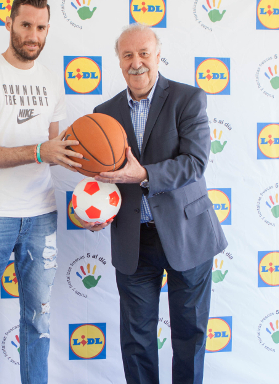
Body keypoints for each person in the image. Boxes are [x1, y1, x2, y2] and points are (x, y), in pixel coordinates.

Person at [83, 23, 228, 384]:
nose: (137, 63)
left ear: (158, 55)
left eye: (144, 53)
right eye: (127, 55)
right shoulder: (104, 112)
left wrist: (144, 174)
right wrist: (99, 210)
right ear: (118, 62)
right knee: (136, 340)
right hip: (135, 240)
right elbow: (106, 177)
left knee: (190, 335)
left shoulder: (187, 98)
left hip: (187, 233)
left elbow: (195, 163)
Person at [0, 0, 82, 384]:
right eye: (26, 25)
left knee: (38, 323)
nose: (33, 35)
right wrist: (40, 150)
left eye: (41, 28)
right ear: (9, 22)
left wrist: (92, 191)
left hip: (41, 215)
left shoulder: (49, 80)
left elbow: (56, 153)